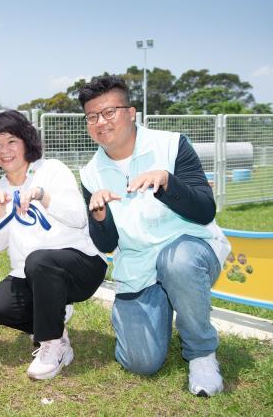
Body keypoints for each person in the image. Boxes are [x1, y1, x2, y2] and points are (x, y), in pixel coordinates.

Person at [77, 75, 230, 397]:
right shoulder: (90, 172)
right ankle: (161, 306)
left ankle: (201, 353)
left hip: (189, 252)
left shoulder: (172, 145)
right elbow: (107, 244)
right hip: (139, 267)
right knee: (140, 363)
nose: (100, 122)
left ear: (131, 113)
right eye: (92, 117)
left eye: (109, 112)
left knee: (177, 262)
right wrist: (99, 215)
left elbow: (205, 211)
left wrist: (167, 181)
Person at [0, 110, 107, 380]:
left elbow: (77, 218)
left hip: (80, 264)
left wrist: (42, 195)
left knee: (39, 260)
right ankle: (57, 328)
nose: (4, 150)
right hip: (32, 273)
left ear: (26, 141)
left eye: (11, 141)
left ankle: (51, 344)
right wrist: (0, 210)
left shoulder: (52, 170)